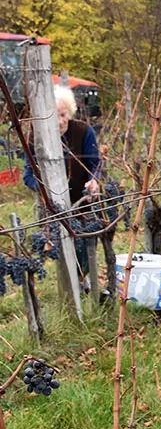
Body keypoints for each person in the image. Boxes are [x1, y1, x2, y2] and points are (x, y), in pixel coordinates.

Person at [23, 85, 100, 287]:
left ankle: (84, 281)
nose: (59, 121)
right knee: (62, 246)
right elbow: (28, 176)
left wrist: (94, 179)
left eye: (63, 114)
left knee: (85, 243)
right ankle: (70, 285)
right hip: (54, 209)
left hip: (82, 203)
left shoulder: (84, 132)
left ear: (70, 112)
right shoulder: (35, 139)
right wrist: (44, 190)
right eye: (53, 117)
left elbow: (95, 164)